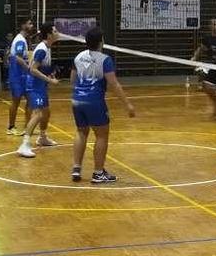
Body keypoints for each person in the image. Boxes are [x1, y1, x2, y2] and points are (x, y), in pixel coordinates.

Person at [70, 27, 135, 183]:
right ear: (101, 42)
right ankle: (98, 173)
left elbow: (73, 79)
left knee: (81, 132)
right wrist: (128, 105)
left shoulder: (78, 56)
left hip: (77, 99)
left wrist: (79, 92)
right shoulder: (105, 59)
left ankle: (76, 169)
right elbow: (114, 84)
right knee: (101, 135)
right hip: (94, 101)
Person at [16, 23, 60, 158]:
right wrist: (50, 80)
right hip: (34, 86)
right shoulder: (42, 49)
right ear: (49, 35)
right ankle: (24, 145)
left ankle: (42, 137)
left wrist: (49, 74)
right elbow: (33, 69)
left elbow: (40, 67)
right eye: (55, 31)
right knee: (38, 114)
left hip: (40, 86)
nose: (57, 33)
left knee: (46, 112)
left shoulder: (47, 47)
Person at [6, 19, 35, 135]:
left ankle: (28, 127)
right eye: (29, 23)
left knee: (30, 100)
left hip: (24, 76)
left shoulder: (23, 40)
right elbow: (18, 58)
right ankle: (11, 127)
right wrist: (28, 67)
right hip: (17, 75)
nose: (32, 26)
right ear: (23, 26)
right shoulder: (20, 40)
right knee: (16, 101)